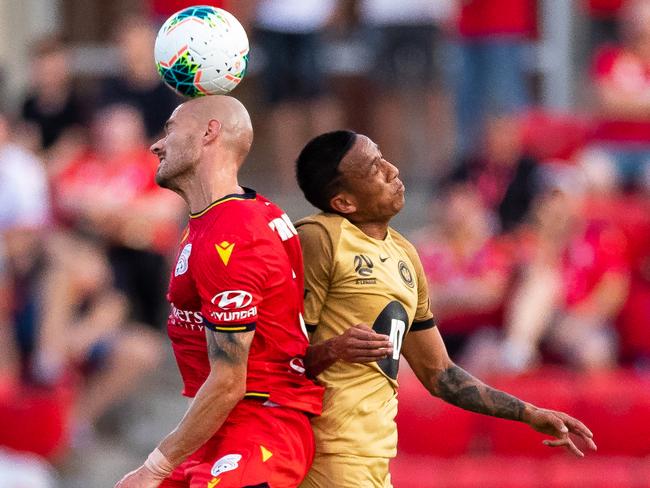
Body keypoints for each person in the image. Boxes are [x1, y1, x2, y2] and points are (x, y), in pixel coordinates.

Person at [294, 130, 597, 488]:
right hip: (324, 456)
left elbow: (441, 374)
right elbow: (273, 358)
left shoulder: (405, 253)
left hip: (374, 459)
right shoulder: (318, 238)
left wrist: (528, 412)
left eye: (383, 157)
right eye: (374, 167)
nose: (392, 170)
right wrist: (332, 350)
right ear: (344, 202)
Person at [115, 95, 323, 488]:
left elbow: (230, 379)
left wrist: (154, 467)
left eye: (170, 130)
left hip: (258, 429)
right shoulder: (227, 218)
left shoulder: (233, 235)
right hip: (221, 426)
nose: (156, 144)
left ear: (210, 132)